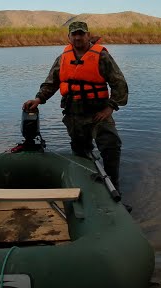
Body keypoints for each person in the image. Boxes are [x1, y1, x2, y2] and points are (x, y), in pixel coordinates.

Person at [22, 21, 129, 199]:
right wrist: (39, 99)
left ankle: (113, 188)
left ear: (88, 35)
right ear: (69, 37)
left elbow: (119, 84)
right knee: (80, 151)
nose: (78, 37)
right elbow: (52, 82)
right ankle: (87, 186)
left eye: (81, 33)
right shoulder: (63, 57)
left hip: (98, 113)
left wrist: (110, 108)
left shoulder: (102, 56)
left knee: (111, 146)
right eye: (74, 34)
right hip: (74, 114)